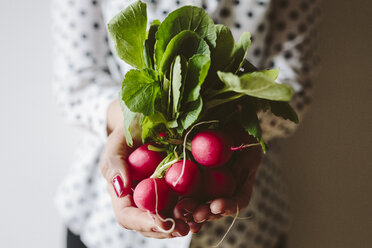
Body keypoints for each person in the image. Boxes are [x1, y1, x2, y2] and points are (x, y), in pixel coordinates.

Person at [52, 0, 320, 247]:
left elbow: (294, 87)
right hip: (105, 227)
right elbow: (77, 83)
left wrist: (237, 123)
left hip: (246, 231)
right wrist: (130, 122)